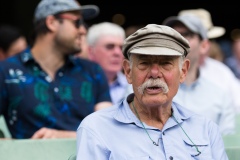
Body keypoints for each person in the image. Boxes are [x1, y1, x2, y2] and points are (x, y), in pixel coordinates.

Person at [76, 24, 228, 159]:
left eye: (165, 63)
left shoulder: (206, 129)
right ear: (128, 71)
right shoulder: (97, 128)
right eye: (144, 63)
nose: (154, 73)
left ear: (183, 71)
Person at [0, 0, 112, 139]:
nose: (83, 30)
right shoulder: (6, 71)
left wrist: (66, 136)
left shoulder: (92, 71)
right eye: (77, 22)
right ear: (51, 23)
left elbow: (108, 130)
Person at [163, 14, 235, 136]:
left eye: (186, 35)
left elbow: (226, 148)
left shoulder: (220, 95)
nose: (178, 40)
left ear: (204, 46)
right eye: (173, 35)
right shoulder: (146, 87)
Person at [178, 8, 240, 114]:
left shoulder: (221, 72)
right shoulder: (165, 71)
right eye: (185, 36)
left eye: (209, 39)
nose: (208, 44)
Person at [87, 22, 132, 104]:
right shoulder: (75, 85)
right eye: (110, 47)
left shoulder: (134, 86)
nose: (117, 53)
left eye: (121, 47)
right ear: (90, 51)